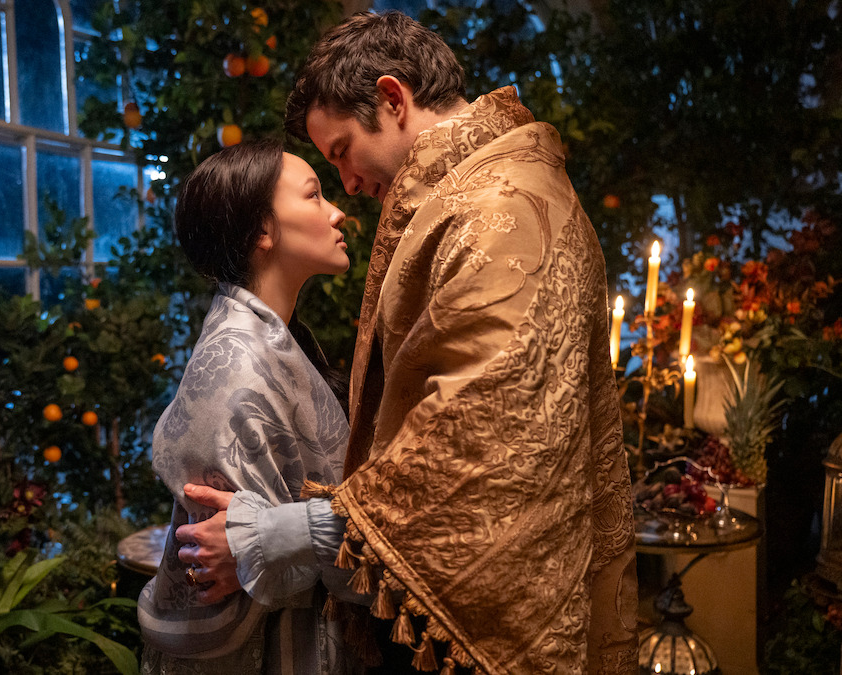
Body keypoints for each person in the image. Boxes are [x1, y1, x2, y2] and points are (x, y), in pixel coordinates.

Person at [174, 10, 639, 675]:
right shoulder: (478, 194)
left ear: (392, 99)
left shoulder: (498, 210)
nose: (348, 189)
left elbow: (472, 461)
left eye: (341, 152)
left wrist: (271, 534)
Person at [137, 138, 361, 675]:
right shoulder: (239, 360)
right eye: (313, 195)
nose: (337, 212)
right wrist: (267, 541)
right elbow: (228, 555)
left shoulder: (268, 336)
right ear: (262, 230)